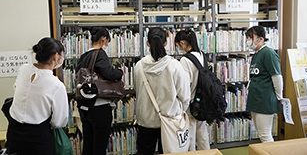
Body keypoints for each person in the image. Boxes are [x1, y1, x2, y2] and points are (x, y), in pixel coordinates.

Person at [5, 37, 69, 155]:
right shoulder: (57, 85)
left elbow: (17, 89)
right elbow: (59, 122)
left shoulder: (24, 69)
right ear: (56, 56)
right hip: (38, 138)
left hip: (13, 133)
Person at [134, 27, 190, 155]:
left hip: (145, 120)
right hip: (170, 120)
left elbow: (138, 91)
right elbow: (185, 96)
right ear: (166, 42)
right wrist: (178, 111)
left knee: (144, 151)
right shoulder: (175, 65)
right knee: (169, 152)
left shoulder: (139, 66)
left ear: (147, 43)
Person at [75, 27, 123, 155]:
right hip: (99, 107)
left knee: (88, 146)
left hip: (85, 107)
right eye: (107, 42)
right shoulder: (99, 53)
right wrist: (119, 72)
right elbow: (108, 73)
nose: (107, 45)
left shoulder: (83, 56)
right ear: (103, 40)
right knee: (99, 148)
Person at [245, 26, 283, 143]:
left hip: (265, 99)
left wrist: (279, 97)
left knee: (265, 135)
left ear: (261, 39)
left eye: (251, 37)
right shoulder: (256, 53)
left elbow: (277, 77)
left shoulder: (268, 53)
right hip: (256, 99)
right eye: (247, 37)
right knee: (261, 134)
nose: (248, 40)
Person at [174, 30, 210, 151]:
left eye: (178, 45)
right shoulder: (202, 55)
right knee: (203, 136)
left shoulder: (185, 60)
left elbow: (184, 84)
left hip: (192, 103)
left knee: (190, 137)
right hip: (204, 102)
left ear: (182, 43)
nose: (178, 48)